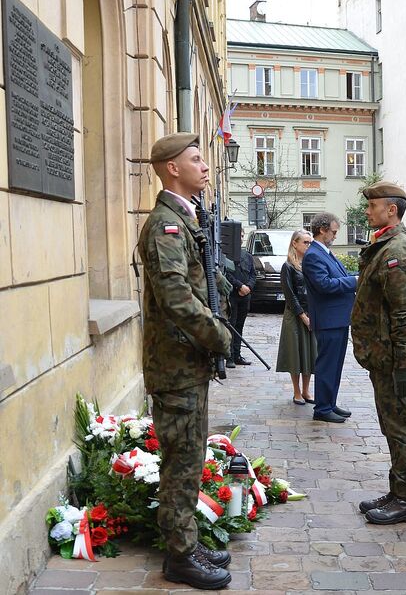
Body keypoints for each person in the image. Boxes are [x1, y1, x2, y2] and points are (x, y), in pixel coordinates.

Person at [138, 132, 233, 589]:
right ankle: (178, 557)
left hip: (186, 361)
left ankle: (186, 540)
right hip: (175, 364)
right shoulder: (166, 226)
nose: (205, 165)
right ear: (173, 168)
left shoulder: (184, 218)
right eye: (196, 159)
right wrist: (219, 335)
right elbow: (176, 297)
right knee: (182, 461)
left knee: (191, 457)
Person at [350, 181, 406, 524]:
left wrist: (402, 366)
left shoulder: (397, 251)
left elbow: (405, 314)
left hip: (395, 359)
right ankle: (397, 491)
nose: (367, 211)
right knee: (391, 424)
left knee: (400, 427)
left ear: (391, 210)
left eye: (372, 206)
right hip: (383, 356)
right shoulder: (384, 245)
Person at [303, 212, 358, 423]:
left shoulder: (325, 252)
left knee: (335, 365)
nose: (335, 236)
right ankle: (323, 408)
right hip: (328, 319)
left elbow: (339, 277)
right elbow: (324, 285)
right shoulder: (314, 254)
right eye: (333, 232)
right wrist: (355, 281)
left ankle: (330, 403)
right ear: (322, 229)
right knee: (327, 365)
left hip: (338, 318)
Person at [276, 230, 317, 404]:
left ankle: (306, 391)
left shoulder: (310, 264)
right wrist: (303, 316)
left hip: (311, 312)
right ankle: (297, 391)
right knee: (295, 354)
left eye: (310, 242)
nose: (309, 245)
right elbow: (290, 295)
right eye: (305, 242)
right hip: (294, 315)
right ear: (295, 243)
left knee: (309, 353)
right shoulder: (288, 266)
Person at [224, 237, 256, 368]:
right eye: (239, 235)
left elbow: (253, 274)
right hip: (232, 295)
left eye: (242, 236)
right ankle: (230, 356)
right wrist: (239, 286)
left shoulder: (248, 256)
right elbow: (226, 274)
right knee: (231, 325)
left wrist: (248, 287)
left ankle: (237, 355)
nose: (240, 238)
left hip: (245, 296)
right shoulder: (226, 255)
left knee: (239, 326)